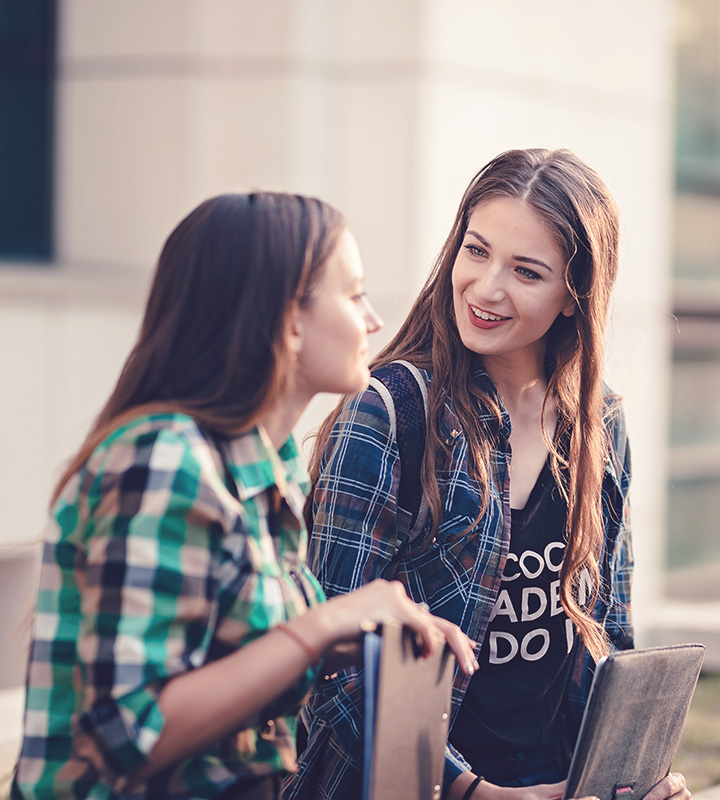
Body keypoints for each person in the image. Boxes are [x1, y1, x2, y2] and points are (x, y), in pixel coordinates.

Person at [10, 192, 477, 800]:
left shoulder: (272, 468)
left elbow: (229, 672)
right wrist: (322, 625)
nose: (374, 320)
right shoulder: (165, 459)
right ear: (290, 318)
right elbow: (129, 732)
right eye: (354, 293)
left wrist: (351, 640)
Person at [284, 149, 690, 800]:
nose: (486, 287)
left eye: (526, 272)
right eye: (476, 252)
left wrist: (625, 773)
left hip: (557, 778)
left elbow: (610, 635)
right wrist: (475, 793)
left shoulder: (600, 422)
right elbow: (332, 670)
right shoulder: (387, 412)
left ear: (572, 296)